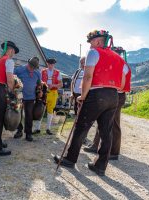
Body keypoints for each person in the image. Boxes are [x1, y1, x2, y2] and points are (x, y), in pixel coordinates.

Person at [54, 30, 126, 176]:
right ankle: (100, 166)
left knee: (81, 127)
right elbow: (123, 83)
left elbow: (87, 76)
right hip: (113, 95)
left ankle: (70, 158)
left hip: (96, 94)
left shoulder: (93, 52)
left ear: (98, 41)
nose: (91, 45)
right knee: (106, 132)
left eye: (92, 42)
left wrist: (83, 95)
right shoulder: (119, 58)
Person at [84, 46, 131, 160]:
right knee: (102, 121)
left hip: (117, 94)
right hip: (110, 93)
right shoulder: (115, 62)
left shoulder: (121, 64)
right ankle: (96, 145)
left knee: (113, 123)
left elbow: (122, 84)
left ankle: (114, 152)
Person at [13, 57, 41, 142]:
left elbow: (39, 83)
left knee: (29, 115)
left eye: (33, 68)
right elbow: (12, 79)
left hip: (31, 97)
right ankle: (19, 130)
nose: (31, 69)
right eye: (30, 66)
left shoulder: (37, 73)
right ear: (28, 63)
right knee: (18, 114)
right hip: (19, 97)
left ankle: (28, 133)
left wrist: (40, 91)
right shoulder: (19, 70)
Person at [33, 58, 63, 135]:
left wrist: (53, 85)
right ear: (47, 64)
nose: (50, 65)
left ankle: (48, 128)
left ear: (54, 64)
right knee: (40, 109)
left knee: (50, 110)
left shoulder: (58, 72)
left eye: (52, 64)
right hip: (43, 93)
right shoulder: (42, 71)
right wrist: (43, 84)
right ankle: (37, 128)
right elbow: (38, 81)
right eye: (49, 64)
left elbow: (61, 84)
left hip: (53, 92)